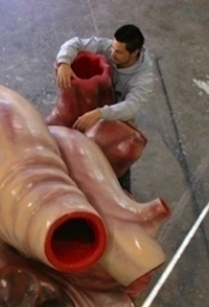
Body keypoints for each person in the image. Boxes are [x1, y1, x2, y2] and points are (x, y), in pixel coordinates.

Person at [54, 24, 154, 191]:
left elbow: (131, 106)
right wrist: (64, 62)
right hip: (94, 109)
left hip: (118, 121)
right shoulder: (111, 48)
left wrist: (100, 114)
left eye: (119, 52)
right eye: (113, 47)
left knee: (114, 168)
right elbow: (75, 43)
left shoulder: (143, 79)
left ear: (135, 52)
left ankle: (120, 188)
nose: (112, 53)